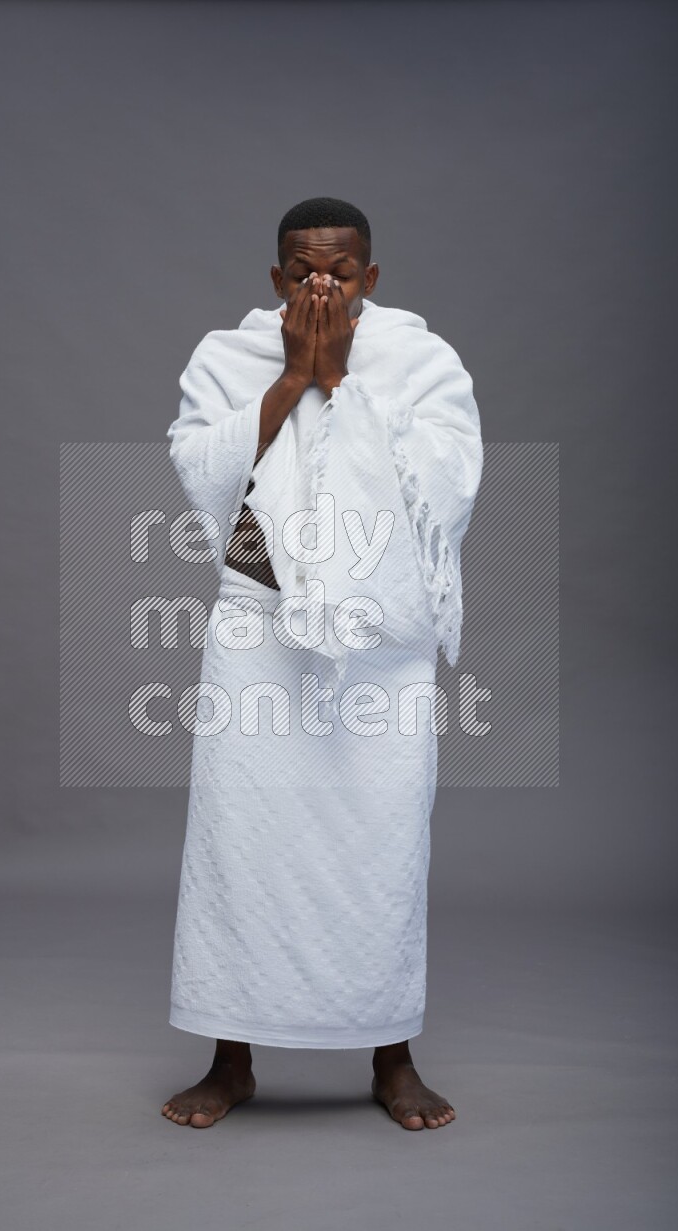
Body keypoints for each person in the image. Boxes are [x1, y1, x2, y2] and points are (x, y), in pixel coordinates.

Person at [161, 197, 483, 1130]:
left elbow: (448, 487)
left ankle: (391, 1053)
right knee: (239, 839)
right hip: (261, 624)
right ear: (275, 279)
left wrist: (340, 381)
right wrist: (289, 379)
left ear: (371, 279)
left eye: (339, 272)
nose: (320, 285)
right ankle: (231, 1057)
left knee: (382, 844)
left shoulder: (421, 360)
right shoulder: (228, 358)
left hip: (380, 641)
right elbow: (201, 475)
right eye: (302, 270)